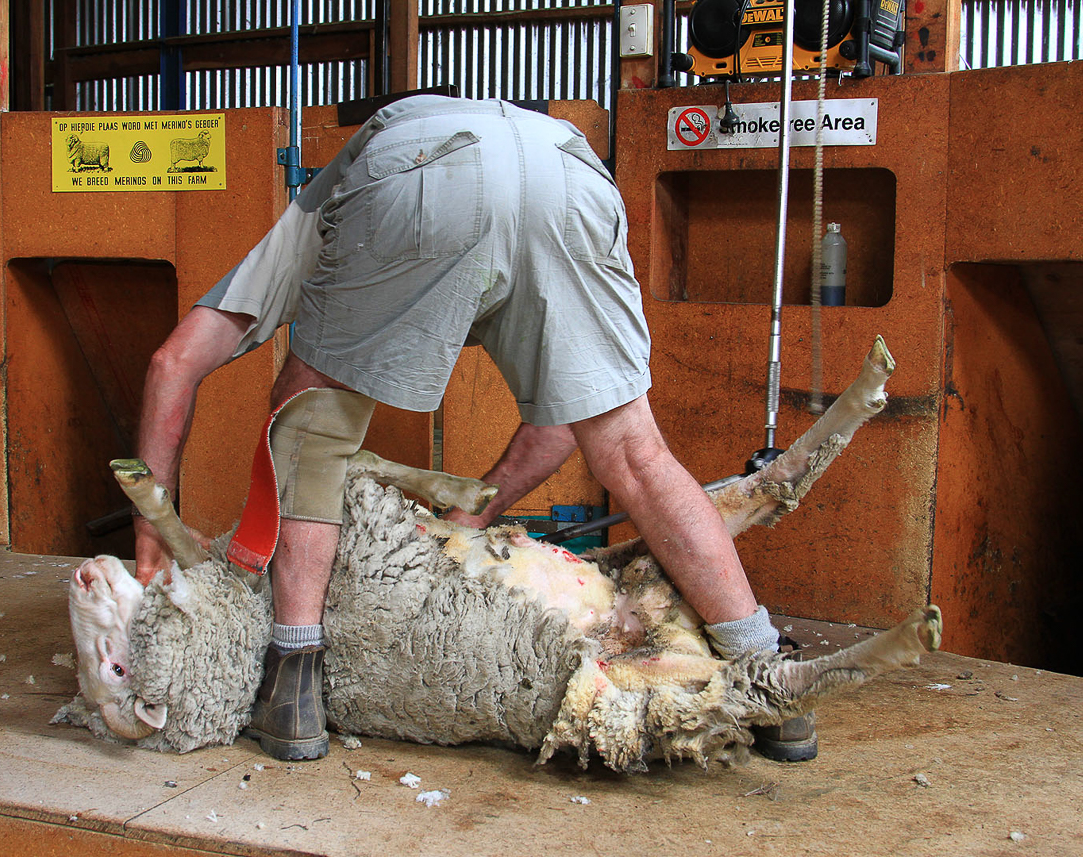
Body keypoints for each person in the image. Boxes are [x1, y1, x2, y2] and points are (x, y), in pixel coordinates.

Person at [133, 94, 814, 764]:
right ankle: (767, 671)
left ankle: (293, 683)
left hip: (424, 170)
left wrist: (149, 531)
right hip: (570, 171)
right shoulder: (521, 167)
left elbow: (172, 363)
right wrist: (469, 509)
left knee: (312, 422)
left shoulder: (318, 215)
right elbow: (561, 419)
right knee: (635, 452)